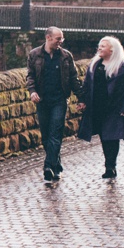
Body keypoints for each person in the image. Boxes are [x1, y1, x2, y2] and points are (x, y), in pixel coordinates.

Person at [25, 27, 84, 182]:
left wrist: (81, 98)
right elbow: (30, 76)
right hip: (42, 100)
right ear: (48, 37)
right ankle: (57, 166)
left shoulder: (66, 56)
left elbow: (73, 78)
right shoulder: (34, 55)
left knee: (55, 133)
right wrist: (32, 91)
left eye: (62, 39)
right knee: (45, 136)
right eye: (58, 38)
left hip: (59, 100)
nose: (61, 41)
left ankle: (48, 166)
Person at [77, 36, 124, 180]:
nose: (99, 48)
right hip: (98, 106)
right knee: (104, 136)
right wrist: (83, 101)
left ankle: (111, 166)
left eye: (103, 46)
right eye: (99, 45)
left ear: (112, 49)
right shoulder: (94, 65)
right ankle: (109, 164)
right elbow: (87, 85)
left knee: (112, 136)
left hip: (115, 107)